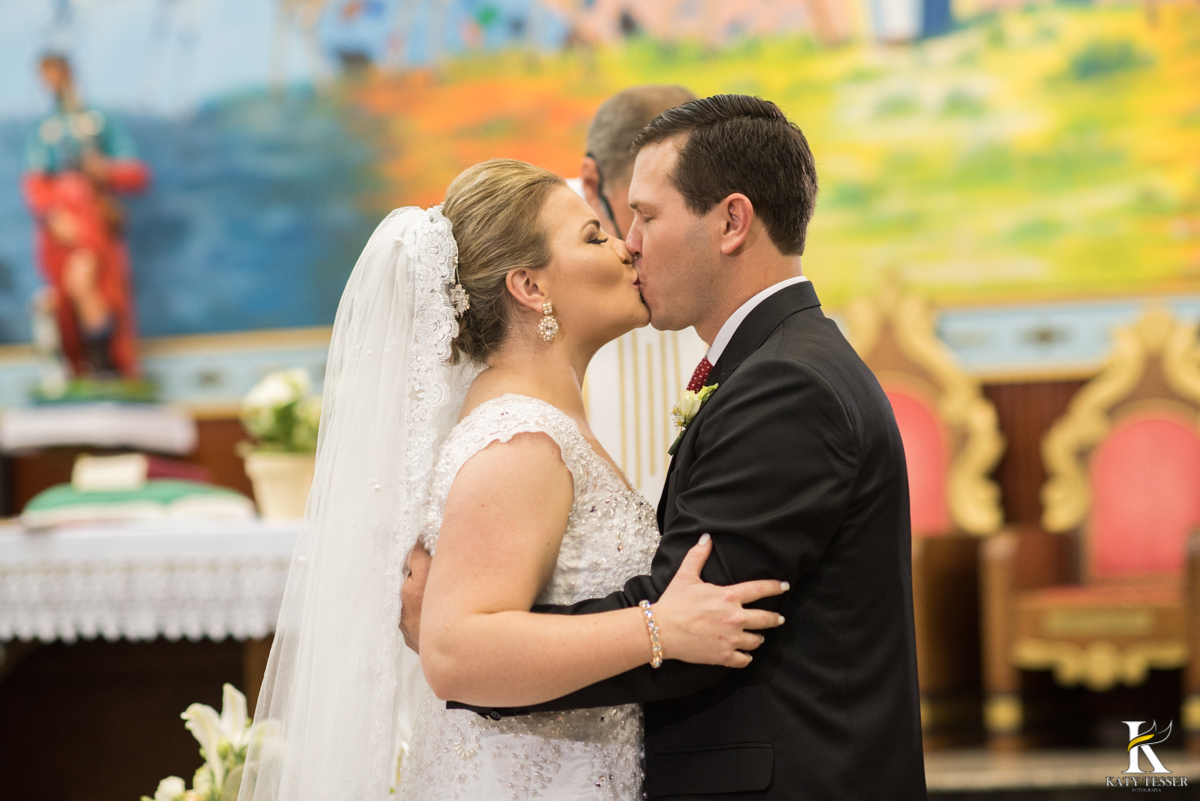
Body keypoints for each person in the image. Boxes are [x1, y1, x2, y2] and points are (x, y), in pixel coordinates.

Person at [406, 96, 928, 799]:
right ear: (528, 287)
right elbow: (678, 618)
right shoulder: (769, 367)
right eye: (608, 229)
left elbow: (698, 616)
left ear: (732, 222)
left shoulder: (784, 383)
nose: (630, 244)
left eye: (644, 216)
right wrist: (471, 649)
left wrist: (480, 655)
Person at [237, 159, 787, 801]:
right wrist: (658, 627)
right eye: (592, 236)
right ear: (530, 286)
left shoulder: (541, 423)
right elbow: (457, 652)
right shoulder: (520, 440)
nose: (625, 246)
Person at [22, 53, 150, 379]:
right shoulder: (45, 129)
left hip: (93, 220)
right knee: (64, 299)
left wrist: (103, 170)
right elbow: (34, 182)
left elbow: (135, 172)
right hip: (60, 229)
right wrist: (53, 215)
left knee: (90, 286)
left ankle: (106, 366)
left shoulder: (96, 121)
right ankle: (85, 366)